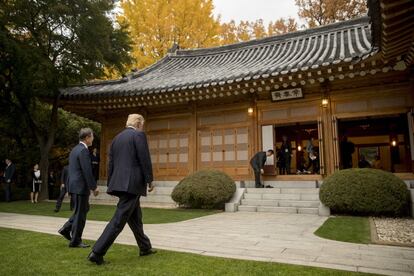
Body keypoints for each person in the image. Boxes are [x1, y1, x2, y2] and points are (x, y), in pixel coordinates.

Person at [88, 114, 156, 265]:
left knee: (135, 218)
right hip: (132, 184)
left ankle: (145, 247)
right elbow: (144, 159)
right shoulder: (139, 135)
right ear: (138, 123)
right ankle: (97, 252)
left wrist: (111, 183)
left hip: (120, 183)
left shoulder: (117, 138)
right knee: (118, 220)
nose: (143, 127)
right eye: (143, 124)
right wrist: (149, 180)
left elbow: (111, 163)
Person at [58, 128, 99, 248]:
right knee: (81, 214)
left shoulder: (75, 150)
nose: (93, 139)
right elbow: (87, 171)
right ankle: (76, 240)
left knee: (82, 210)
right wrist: (93, 187)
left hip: (74, 185)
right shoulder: (83, 151)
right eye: (92, 136)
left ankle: (66, 229)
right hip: (80, 186)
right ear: (87, 138)